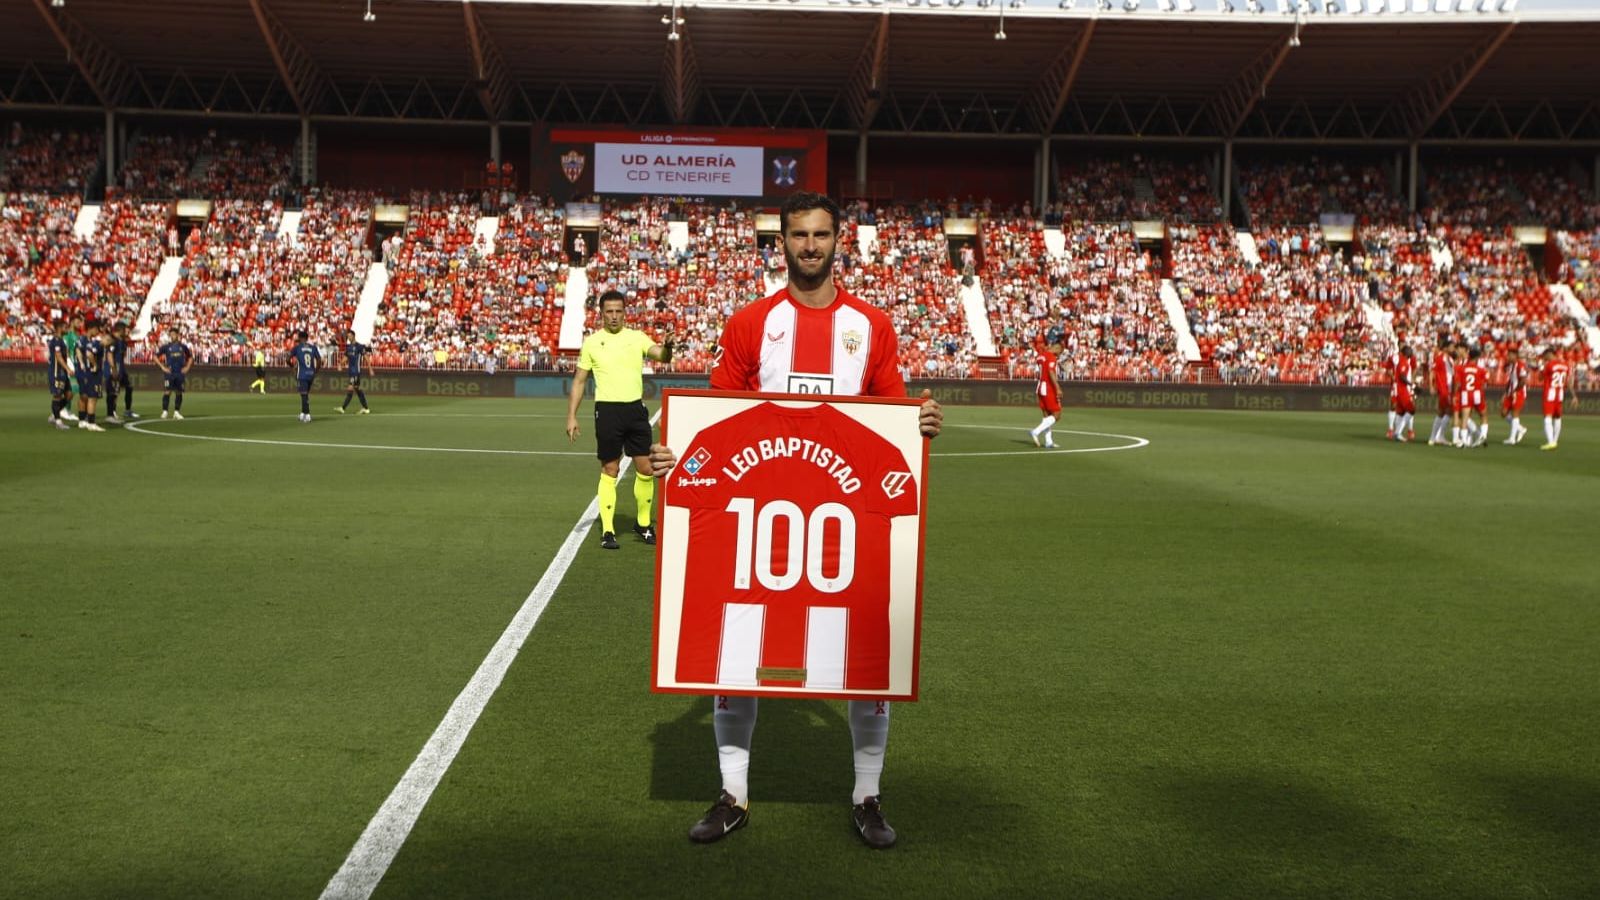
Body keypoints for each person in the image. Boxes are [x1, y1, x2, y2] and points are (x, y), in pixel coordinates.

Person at [647, 191, 943, 850]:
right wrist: (674, 454)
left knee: (865, 661)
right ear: (780, 242)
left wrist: (919, 422)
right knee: (736, 652)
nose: (810, 246)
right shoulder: (752, 323)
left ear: (839, 241)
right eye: (799, 235)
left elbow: (892, 417)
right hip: (758, 520)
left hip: (845, 522)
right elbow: (718, 417)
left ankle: (867, 797)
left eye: (820, 234)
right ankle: (733, 794)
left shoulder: (871, 326)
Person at [565, 290, 674, 550]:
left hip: (635, 410)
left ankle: (643, 524)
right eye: (609, 312)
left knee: (646, 469)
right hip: (607, 412)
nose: (614, 316)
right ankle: (608, 530)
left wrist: (668, 346)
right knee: (610, 470)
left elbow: (662, 356)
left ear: (625, 313)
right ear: (601, 314)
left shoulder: (636, 337)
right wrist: (571, 416)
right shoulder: (592, 343)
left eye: (618, 311)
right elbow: (579, 381)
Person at [73, 318, 107, 432]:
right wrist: (82, 363)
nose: (98, 331)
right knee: (88, 396)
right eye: (96, 329)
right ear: (91, 329)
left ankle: (83, 420)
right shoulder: (82, 339)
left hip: (85, 371)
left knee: (84, 396)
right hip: (85, 371)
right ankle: (88, 421)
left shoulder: (90, 340)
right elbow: (78, 350)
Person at [1029, 337, 1064, 448]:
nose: (1059, 355)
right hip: (1048, 387)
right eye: (1060, 352)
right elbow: (1051, 372)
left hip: (1039, 386)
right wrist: (1057, 388)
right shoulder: (1051, 357)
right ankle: (1036, 431)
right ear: (1057, 348)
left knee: (1046, 416)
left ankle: (1049, 441)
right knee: (1057, 415)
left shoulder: (1040, 356)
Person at [1538, 347, 1574, 451]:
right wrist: (1574, 395)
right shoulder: (1565, 365)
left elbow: (1540, 378)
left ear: (1550, 354)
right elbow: (1569, 381)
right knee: (1558, 417)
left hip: (1550, 393)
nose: (1544, 357)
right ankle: (1555, 440)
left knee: (1547, 417)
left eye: (1545, 355)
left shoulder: (1549, 365)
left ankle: (1550, 442)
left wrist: (1542, 367)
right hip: (1560, 394)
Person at [1453, 346, 1487, 448]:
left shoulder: (1461, 368)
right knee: (1483, 415)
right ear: (1477, 358)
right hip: (1477, 393)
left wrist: (1455, 394)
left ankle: (1464, 441)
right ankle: (1483, 436)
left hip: (1465, 394)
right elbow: (1484, 384)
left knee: (1464, 419)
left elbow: (1457, 383)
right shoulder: (1481, 370)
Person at [103, 321, 136, 423]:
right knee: (112, 392)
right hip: (113, 369)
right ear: (121, 330)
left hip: (120, 369)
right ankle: (110, 414)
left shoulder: (122, 341)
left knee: (125, 388)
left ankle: (124, 411)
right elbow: (109, 354)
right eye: (125, 329)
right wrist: (113, 369)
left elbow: (122, 356)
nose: (127, 331)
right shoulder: (113, 340)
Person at [157, 331, 194, 420]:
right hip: (169, 372)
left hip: (179, 373)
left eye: (173, 334)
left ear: (178, 335)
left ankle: (176, 412)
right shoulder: (166, 347)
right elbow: (155, 356)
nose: (172, 336)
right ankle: (165, 411)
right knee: (167, 391)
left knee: (179, 392)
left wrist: (187, 367)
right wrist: (162, 367)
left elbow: (190, 357)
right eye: (171, 335)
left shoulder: (183, 347)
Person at [1426, 334, 1454, 446]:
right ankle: (1437, 436)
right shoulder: (1440, 358)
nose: (1453, 349)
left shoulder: (1449, 359)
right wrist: (1431, 386)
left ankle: (1435, 437)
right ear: (1446, 348)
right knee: (1447, 411)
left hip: (1449, 388)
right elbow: (1432, 372)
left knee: (1442, 412)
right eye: (1451, 347)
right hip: (1444, 388)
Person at [45, 317, 73, 431]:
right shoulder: (56, 340)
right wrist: (68, 369)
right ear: (59, 328)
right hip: (57, 372)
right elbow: (58, 356)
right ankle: (58, 421)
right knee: (57, 395)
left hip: (63, 373)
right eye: (65, 327)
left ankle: (54, 414)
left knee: (69, 395)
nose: (67, 329)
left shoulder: (61, 340)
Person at [289, 330, 321, 423]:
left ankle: (307, 414)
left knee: (304, 394)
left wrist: (292, 366)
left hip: (302, 374)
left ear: (300, 338)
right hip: (311, 374)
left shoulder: (297, 348)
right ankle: (303, 413)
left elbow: (287, 359)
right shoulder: (313, 347)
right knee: (305, 394)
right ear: (307, 338)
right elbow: (319, 360)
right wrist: (316, 370)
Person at [338, 330, 373, 414]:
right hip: (351, 371)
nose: (349, 338)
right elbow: (345, 358)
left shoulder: (359, 346)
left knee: (350, 388)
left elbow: (366, 358)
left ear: (354, 336)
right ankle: (366, 408)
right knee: (357, 389)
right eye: (348, 336)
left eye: (350, 336)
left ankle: (343, 408)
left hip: (356, 371)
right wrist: (340, 364)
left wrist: (370, 368)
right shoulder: (349, 347)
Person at [1391, 344, 1417, 442]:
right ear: (1406, 352)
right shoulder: (1403, 362)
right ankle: (1398, 432)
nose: (1411, 352)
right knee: (1411, 410)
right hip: (1403, 389)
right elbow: (1402, 376)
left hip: (1399, 389)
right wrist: (1411, 384)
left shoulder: (1404, 361)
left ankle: (1397, 433)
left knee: (1400, 412)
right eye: (1410, 350)